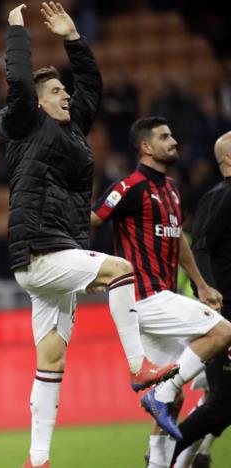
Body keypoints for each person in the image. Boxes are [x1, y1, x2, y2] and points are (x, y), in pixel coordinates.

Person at [0, 4, 178, 467]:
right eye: (56, 91)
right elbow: (19, 84)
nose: (66, 95)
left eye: (64, 90)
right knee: (121, 269)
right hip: (39, 249)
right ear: (38, 102)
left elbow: (91, 85)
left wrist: (73, 38)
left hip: (56, 253)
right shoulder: (25, 123)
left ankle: (37, 459)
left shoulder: (72, 131)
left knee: (51, 361)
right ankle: (137, 366)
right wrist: (17, 32)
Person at [91, 117, 231, 467]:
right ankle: (162, 394)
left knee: (178, 398)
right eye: (164, 137)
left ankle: (159, 462)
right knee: (222, 332)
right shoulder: (129, 187)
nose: (173, 141)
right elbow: (90, 221)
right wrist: (88, 270)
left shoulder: (170, 188)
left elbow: (178, 239)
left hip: (163, 298)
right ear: (146, 147)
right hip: (144, 297)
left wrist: (201, 284)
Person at [168, 130, 231, 466]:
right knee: (223, 404)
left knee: (222, 402)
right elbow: (200, 248)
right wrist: (208, 294)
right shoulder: (220, 197)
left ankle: (193, 453)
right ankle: (167, 454)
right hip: (226, 316)